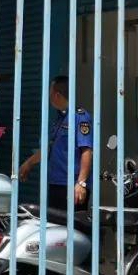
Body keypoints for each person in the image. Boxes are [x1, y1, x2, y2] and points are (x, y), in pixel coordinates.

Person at [19, 75, 93, 211]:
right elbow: (50, 148)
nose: (49, 96)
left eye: (50, 93)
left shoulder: (80, 117)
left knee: (72, 223)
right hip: (56, 183)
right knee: (56, 223)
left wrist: (81, 183)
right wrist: (29, 163)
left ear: (57, 95)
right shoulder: (60, 118)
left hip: (73, 186)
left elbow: (87, 151)